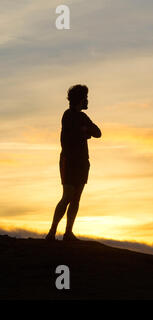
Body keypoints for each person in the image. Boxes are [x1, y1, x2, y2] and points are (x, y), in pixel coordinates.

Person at [45, 84, 101, 241]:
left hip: (83, 161)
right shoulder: (68, 115)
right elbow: (73, 135)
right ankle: (52, 231)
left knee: (76, 198)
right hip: (69, 161)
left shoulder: (83, 117)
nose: (88, 101)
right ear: (80, 99)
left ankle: (68, 232)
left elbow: (98, 133)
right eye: (86, 98)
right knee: (67, 195)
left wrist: (85, 131)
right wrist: (84, 131)